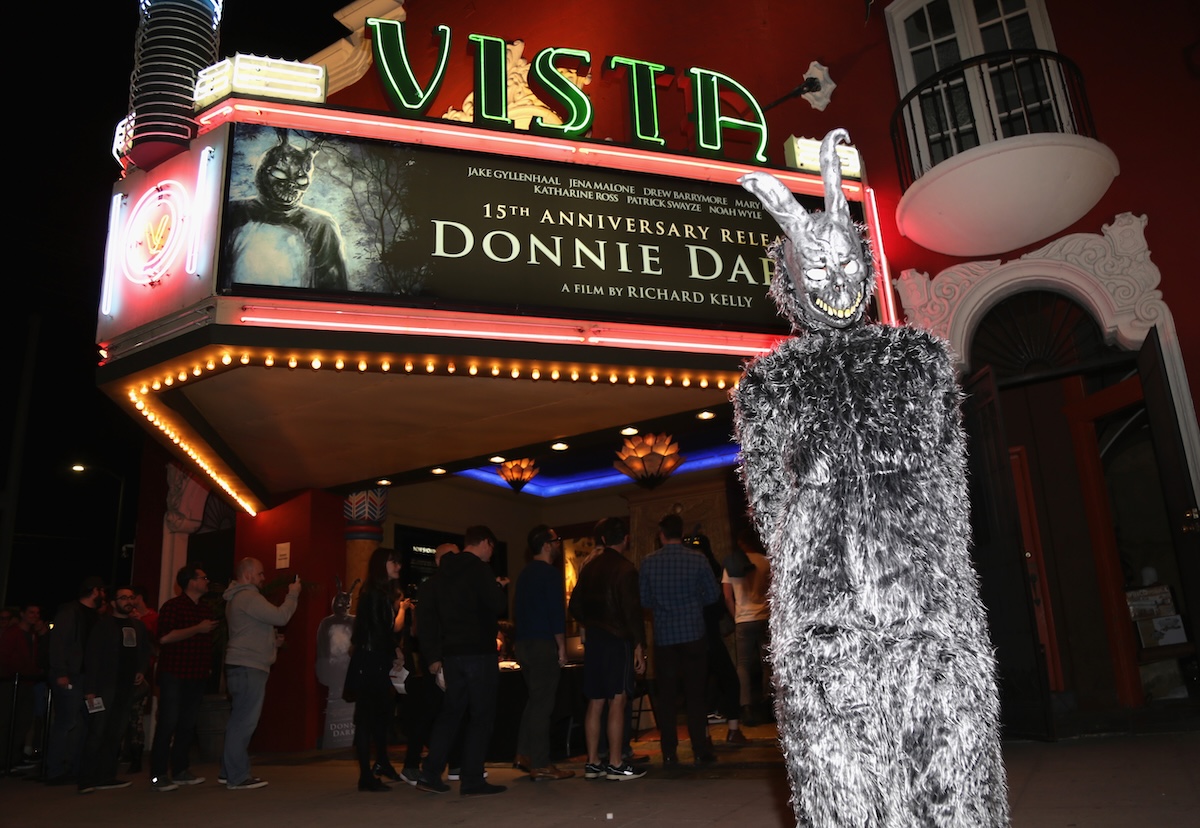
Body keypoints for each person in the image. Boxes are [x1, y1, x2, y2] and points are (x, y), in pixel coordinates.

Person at [415, 526, 509, 796]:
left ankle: (430, 772)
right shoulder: (479, 569)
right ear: (485, 543)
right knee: (481, 716)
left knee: (451, 714)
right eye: (491, 548)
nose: (491, 554)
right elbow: (497, 604)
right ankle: (471, 778)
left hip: (452, 654)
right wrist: (498, 587)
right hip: (479, 651)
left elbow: (430, 617)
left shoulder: (442, 574)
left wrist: (435, 655)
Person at [568, 516, 647, 781]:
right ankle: (615, 763)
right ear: (625, 539)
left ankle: (592, 762)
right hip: (617, 640)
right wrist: (639, 645)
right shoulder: (625, 569)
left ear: (602, 540)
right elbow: (632, 611)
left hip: (595, 641)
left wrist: (593, 621)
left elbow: (574, 607)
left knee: (595, 700)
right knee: (618, 699)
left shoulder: (589, 568)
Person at [639, 514, 721, 768]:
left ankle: (669, 752)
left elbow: (644, 601)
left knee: (667, 697)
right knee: (695, 695)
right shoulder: (698, 559)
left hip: (664, 638)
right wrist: (693, 603)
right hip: (694, 634)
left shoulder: (649, 562)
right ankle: (699, 749)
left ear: (661, 535)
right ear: (681, 533)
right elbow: (713, 595)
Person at [220, 557, 301, 791]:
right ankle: (237, 776)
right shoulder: (248, 597)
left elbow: (248, 630)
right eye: (261, 573)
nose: (264, 578)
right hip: (249, 667)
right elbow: (281, 616)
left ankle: (228, 772)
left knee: (238, 720)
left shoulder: (237, 598)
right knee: (244, 723)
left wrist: (270, 642)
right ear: (247, 575)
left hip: (241, 665)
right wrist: (293, 594)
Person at [513, 525, 574, 782]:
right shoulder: (549, 574)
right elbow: (555, 613)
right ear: (547, 545)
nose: (559, 544)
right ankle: (540, 762)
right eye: (556, 540)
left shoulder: (525, 574)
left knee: (534, 700)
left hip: (523, 644)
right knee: (543, 705)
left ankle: (524, 754)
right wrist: (561, 646)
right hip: (541, 644)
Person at [150, 564, 218, 792]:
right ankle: (158, 774)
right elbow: (165, 638)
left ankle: (180, 770)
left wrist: (207, 667)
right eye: (203, 577)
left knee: (188, 725)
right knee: (168, 722)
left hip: (197, 675)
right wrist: (197, 628)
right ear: (191, 582)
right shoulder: (173, 606)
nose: (207, 581)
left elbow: (206, 643)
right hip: (174, 674)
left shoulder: (205, 609)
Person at [77, 586, 151, 794]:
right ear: (113, 602)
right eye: (123, 598)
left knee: (116, 732)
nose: (128, 601)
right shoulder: (104, 626)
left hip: (127, 688)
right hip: (104, 687)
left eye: (130, 597)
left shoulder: (137, 626)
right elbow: (92, 657)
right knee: (97, 731)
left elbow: (145, 650)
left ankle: (107, 776)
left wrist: (141, 670)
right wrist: (90, 689)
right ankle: (86, 779)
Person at [348, 546, 406, 792]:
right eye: (393, 562)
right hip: (371, 661)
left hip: (372, 660)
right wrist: (396, 650)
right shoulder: (375, 594)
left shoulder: (378, 593)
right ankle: (366, 776)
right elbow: (380, 631)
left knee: (378, 717)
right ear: (382, 565)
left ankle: (379, 764)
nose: (398, 566)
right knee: (368, 719)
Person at [684, 534, 746, 746]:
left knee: (697, 686)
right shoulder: (711, 568)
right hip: (710, 634)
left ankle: (704, 735)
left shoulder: (684, 570)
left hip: (691, 636)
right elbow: (718, 603)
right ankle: (733, 730)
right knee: (729, 681)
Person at [45, 576, 106, 784]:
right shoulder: (70, 612)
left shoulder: (94, 616)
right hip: (72, 675)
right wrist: (61, 672)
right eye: (102, 590)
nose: (104, 595)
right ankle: (54, 770)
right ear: (95, 591)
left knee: (84, 723)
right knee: (66, 722)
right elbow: (58, 642)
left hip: (87, 677)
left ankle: (75, 767)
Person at [722, 528, 773, 725]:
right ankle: (768, 702)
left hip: (743, 618)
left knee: (743, 664)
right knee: (766, 662)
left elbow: (727, 596)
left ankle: (746, 706)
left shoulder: (731, 563)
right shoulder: (765, 561)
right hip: (764, 616)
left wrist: (736, 615)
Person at [0, 603, 47, 773]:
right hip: (12, 682)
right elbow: (5, 657)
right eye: (31, 612)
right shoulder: (13, 633)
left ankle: (12, 758)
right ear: (22, 614)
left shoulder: (32, 635)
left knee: (23, 721)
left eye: (37, 613)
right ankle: (4, 760)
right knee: (7, 721)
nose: (35, 616)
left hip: (27, 682)